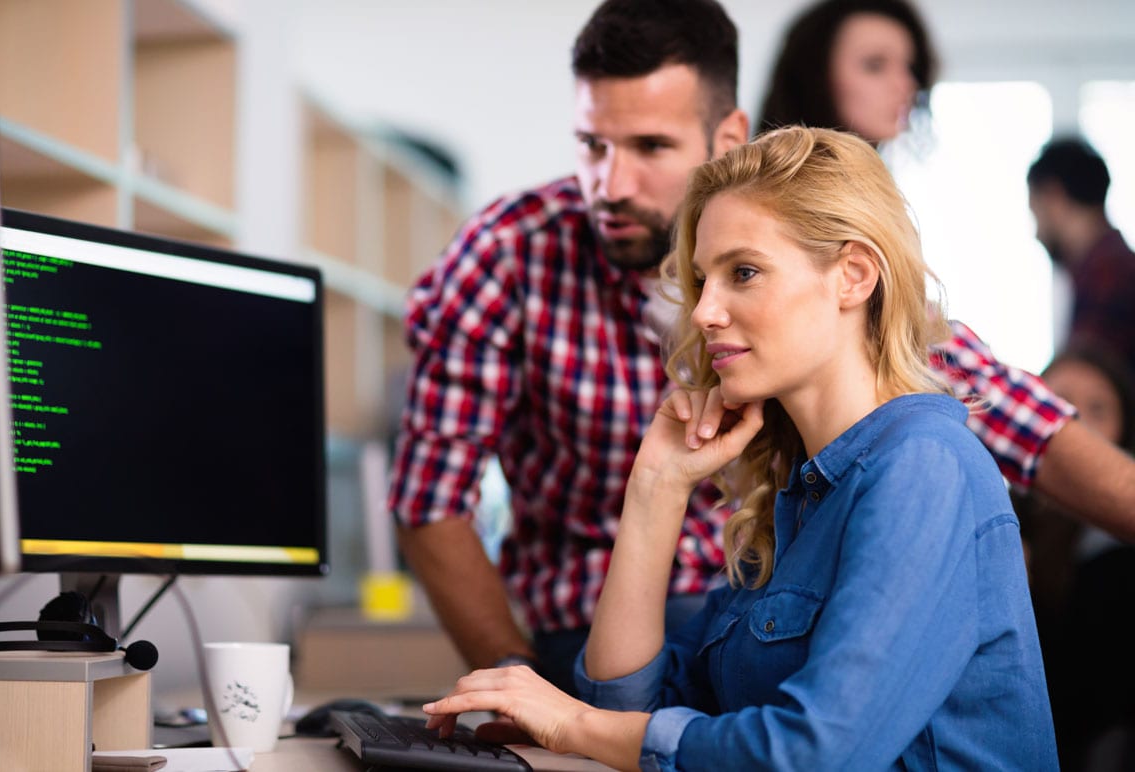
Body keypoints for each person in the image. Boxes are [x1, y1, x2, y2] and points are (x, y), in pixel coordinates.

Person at [387, 0, 1134, 697]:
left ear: (726, 137)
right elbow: (432, 501)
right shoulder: (509, 253)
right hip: (583, 630)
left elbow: (1019, 421)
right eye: (591, 144)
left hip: (769, 623)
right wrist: (522, 691)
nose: (608, 184)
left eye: (650, 146)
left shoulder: (869, 367)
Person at [423, 126, 1058, 770]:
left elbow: (810, 753)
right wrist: (656, 488)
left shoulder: (923, 467)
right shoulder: (801, 498)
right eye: (704, 280)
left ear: (854, 276)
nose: (703, 313)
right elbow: (624, 703)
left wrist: (574, 723)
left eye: (744, 272)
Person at [1016, 347, 1135, 771]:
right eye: (1058, 405)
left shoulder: (1117, 559)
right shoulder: (997, 524)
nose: (1075, 426)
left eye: (1098, 409)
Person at [756, 0, 935, 145]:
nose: (905, 85)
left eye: (911, 68)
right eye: (875, 65)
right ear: (815, 76)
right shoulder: (764, 186)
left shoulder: (874, 183)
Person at [1028, 138, 1135, 373]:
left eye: (1035, 213)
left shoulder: (1108, 273)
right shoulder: (1111, 264)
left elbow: (1085, 380)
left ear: (1052, 196)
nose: (1036, 233)